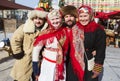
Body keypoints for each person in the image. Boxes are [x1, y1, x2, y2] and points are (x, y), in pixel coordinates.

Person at [10, 7, 48, 81]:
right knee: (21, 77)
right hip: (25, 59)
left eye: (40, 19)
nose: (38, 21)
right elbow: (15, 39)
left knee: (37, 78)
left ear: (44, 20)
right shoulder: (24, 28)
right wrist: (18, 52)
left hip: (39, 61)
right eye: (36, 18)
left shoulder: (46, 30)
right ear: (32, 19)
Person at [32, 9, 70, 81]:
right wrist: (35, 67)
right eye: (52, 19)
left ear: (61, 19)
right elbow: (36, 50)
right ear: (49, 21)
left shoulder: (67, 31)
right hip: (48, 65)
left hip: (62, 66)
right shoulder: (45, 33)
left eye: (57, 18)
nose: (55, 21)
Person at [78, 5, 106, 81]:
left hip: (90, 63)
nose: (83, 19)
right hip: (75, 64)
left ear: (90, 16)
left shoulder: (98, 30)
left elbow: (101, 51)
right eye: (81, 16)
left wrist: (97, 68)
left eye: (85, 16)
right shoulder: (75, 28)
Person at [60, 5, 85, 81]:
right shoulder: (61, 29)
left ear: (75, 17)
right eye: (66, 16)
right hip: (62, 60)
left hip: (76, 61)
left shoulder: (81, 29)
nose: (69, 19)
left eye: (71, 16)